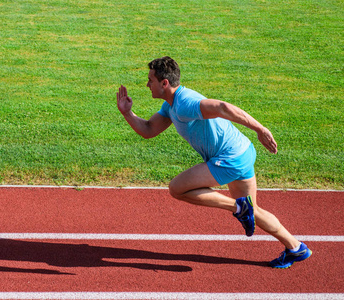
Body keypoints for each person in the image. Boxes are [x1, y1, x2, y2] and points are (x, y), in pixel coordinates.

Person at [116, 56, 312, 269]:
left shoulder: (184, 104)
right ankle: (295, 247)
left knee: (177, 188)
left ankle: (238, 206)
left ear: (165, 83)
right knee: (254, 210)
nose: (147, 84)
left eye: (150, 80)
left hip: (231, 158)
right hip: (242, 152)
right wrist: (127, 113)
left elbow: (222, 107)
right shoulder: (170, 106)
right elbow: (148, 130)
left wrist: (260, 129)